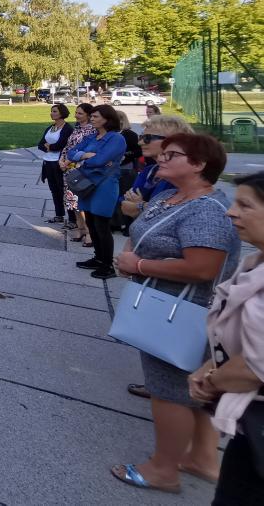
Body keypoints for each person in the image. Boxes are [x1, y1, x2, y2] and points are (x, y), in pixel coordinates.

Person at [110, 133, 241, 494]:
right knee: (194, 389)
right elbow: (140, 227)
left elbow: (202, 268)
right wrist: (133, 255)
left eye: (172, 155)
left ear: (199, 165)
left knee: (169, 390)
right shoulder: (169, 196)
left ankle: (163, 470)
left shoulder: (207, 211)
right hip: (160, 300)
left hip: (183, 312)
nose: (160, 159)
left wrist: (138, 264)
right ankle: (203, 459)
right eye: (162, 153)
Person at [190, 171, 264, 503]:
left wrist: (215, 380)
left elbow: (255, 366)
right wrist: (208, 367)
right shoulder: (254, 264)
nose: (231, 212)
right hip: (250, 428)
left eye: (245, 205)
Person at [69, 104, 127, 279]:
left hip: (104, 185)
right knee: (92, 224)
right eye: (92, 116)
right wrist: (85, 156)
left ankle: (107, 265)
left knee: (102, 225)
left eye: (95, 117)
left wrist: (87, 157)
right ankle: (98, 258)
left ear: (107, 119)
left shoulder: (115, 139)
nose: (92, 119)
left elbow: (100, 160)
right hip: (88, 183)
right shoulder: (93, 136)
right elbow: (72, 153)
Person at [121, 115, 196, 225]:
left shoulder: (183, 176)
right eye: (140, 137)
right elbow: (125, 205)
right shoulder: (149, 171)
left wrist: (141, 205)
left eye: (147, 138)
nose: (140, 143)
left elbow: (173, 214)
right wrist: (143, 206)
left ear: (173, 141)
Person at [60, 102, 96, 242]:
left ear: (88, 115)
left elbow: (84, 151)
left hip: (80, 169)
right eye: (76, 112)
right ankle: (80, 229)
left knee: (81, 201)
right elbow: (68, 147)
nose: (76, 115)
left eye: (80, 113)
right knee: (71, 201)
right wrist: (61, 161)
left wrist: (68, 161)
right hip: (68, 169)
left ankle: (89, 232)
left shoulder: (91, 131)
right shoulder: (76, 129)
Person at [38, 104, 73, 224]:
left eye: (54, 111)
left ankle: (73, 219)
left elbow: (62, 145)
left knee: (64, 191)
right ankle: (59, 215)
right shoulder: (51, 127)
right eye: (51, 111)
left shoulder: (67, 128)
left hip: (59, 163)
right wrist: (50, 147)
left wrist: (50, 146)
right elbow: (40, 144)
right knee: (54, 190)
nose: (51, 113)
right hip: (48, 162)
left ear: (61, 113)